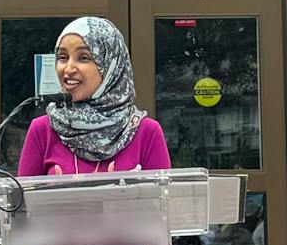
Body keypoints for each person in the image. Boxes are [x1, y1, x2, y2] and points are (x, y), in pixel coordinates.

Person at [17, 16, 173, 176]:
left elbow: (164, 192)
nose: (68, 68)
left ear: (110, 66)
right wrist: (52, 190)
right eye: (62, 57)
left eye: (83, 58)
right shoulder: (42, 130)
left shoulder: (147, 132)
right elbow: (23, 192)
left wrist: (125, 190)